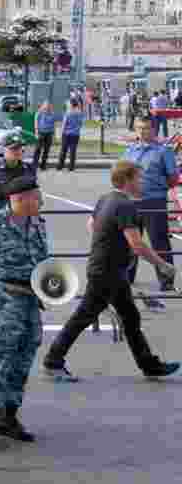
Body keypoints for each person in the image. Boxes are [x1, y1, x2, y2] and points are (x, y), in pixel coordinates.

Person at [41, 162, 179, 383]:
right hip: (108, 272)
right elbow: (137, 244)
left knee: (130, 318)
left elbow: (92, 225)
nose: (142, 182)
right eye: (139, 178)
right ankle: (53, 360)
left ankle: (149, 365)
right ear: (128, 180)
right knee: (83, 317)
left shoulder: (106, 199)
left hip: (106, 269)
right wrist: (163, 265)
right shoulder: (125, 206)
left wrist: (108, 242)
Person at [0, 176, 48, 453]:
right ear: (20, 199)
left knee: (25, 354)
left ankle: (9, 416)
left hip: (31, 298)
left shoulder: (38, 223)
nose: (40, 201)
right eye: (36, 196)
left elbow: (43, 261)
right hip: (4, 298)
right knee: (0, 356)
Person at [122, 117, 179, 309]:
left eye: (146, 128)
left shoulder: (164, 151)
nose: (143, 132)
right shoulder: (130, 150)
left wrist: (157, 189)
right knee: (130, 242)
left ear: (153, 129)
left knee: (159, 241)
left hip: (153, 201)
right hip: (130, 202)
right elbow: (122, 174)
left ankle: (166, 280)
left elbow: (173, 178)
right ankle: (127, 277)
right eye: (139, 128)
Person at [0, 131, 35, 211]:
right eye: (13, 148)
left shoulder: (29, 169)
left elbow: (34, 197)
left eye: (19, 148)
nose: (17, 151)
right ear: (4, 149)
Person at [57, 100, 84, 172]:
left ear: (71, 105)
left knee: (63, 150)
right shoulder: (80, 113)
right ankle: (71, 167)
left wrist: (61, 133)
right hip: (75, 134)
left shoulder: (68, 113)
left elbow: (64, 124)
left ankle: (60, 166)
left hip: (66, 134)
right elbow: (81, 123)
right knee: (73, 151)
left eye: (69, 104)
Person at [33, 101, 56, 170]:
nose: (47, 108)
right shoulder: (39, 113)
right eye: (46, 106)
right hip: (41, 133)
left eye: (49, 106)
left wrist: (54, 135)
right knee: (38, 149)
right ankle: (34, 164)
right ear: (43, 106)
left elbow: (53, 124)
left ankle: (43, 165)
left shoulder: (52, 114)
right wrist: (36, 133)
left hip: (49, 134)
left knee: (46, 150)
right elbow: (36, 123)